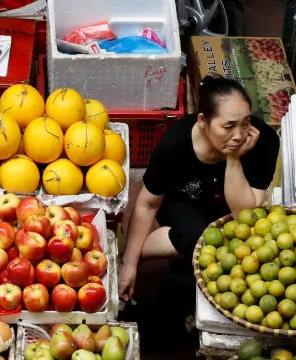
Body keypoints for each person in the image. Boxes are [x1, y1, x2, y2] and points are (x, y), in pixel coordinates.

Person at [118, 76, 280, 301]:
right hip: (185, 202)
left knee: (239, 251)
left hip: (231, 205)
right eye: (228, 126)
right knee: (203, 244)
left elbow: (243, 216)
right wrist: (129, 263)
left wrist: (233, 159)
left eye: (245, 123)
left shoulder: (264, 141)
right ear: (203, 121)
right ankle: (153, 247)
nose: (240, 135)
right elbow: (147, 203)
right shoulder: (175, 144)